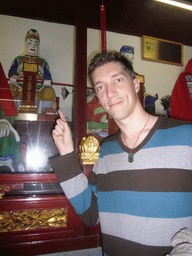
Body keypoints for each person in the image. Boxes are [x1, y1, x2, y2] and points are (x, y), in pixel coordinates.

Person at [50, 51, 192, 256]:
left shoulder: (186, 137)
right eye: (100, 87)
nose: (110, 92)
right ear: (98, 99)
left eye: (117, 79)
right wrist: (66, 153)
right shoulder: (106, 151)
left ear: (135, 85)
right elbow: (90, 213)